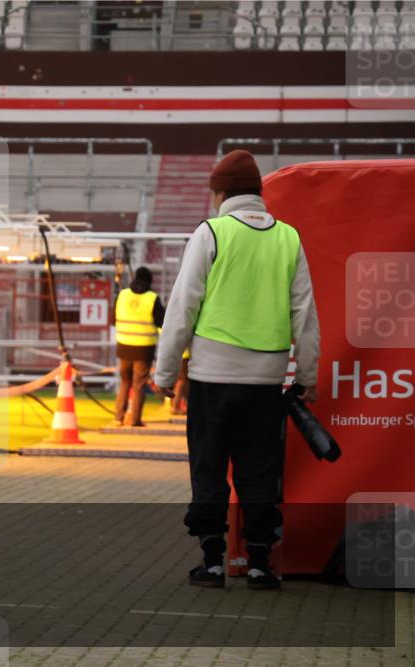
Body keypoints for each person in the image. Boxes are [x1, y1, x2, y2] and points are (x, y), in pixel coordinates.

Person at [155, 149, 320, 591]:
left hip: (212, 375)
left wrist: (166, 373)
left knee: (209, 467)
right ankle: (262, 562)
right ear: (258, 193)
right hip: (267, 378)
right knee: (259, 470)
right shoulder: (289, 238)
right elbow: (304, 313)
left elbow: (183, 306)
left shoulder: (211, 233)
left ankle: (212, 561)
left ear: (220, 192)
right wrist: (307, 376)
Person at [110, 266, 165, 427]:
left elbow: (113, 320)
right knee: (139, 385)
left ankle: (118, 417)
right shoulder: (152, 298)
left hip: (123, 347)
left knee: (125, 383)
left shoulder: (123, 295)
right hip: (144, 348)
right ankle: (134, 419)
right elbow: (161, 322)